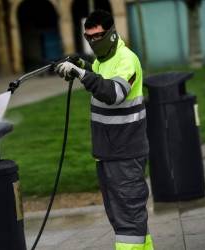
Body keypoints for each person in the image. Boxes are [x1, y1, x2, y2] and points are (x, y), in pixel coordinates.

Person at [55, 10, 154, 250]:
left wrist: (81, 74)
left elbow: (113, 93)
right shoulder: (102, 61)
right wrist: (82, 65)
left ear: (111, 33)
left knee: (128, 221)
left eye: (98, 35)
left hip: (126, 153)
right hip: (109, 153)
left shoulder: (127, 60)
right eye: (89, 37)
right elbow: (101, 77)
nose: (93, 41)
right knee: (127, 218)